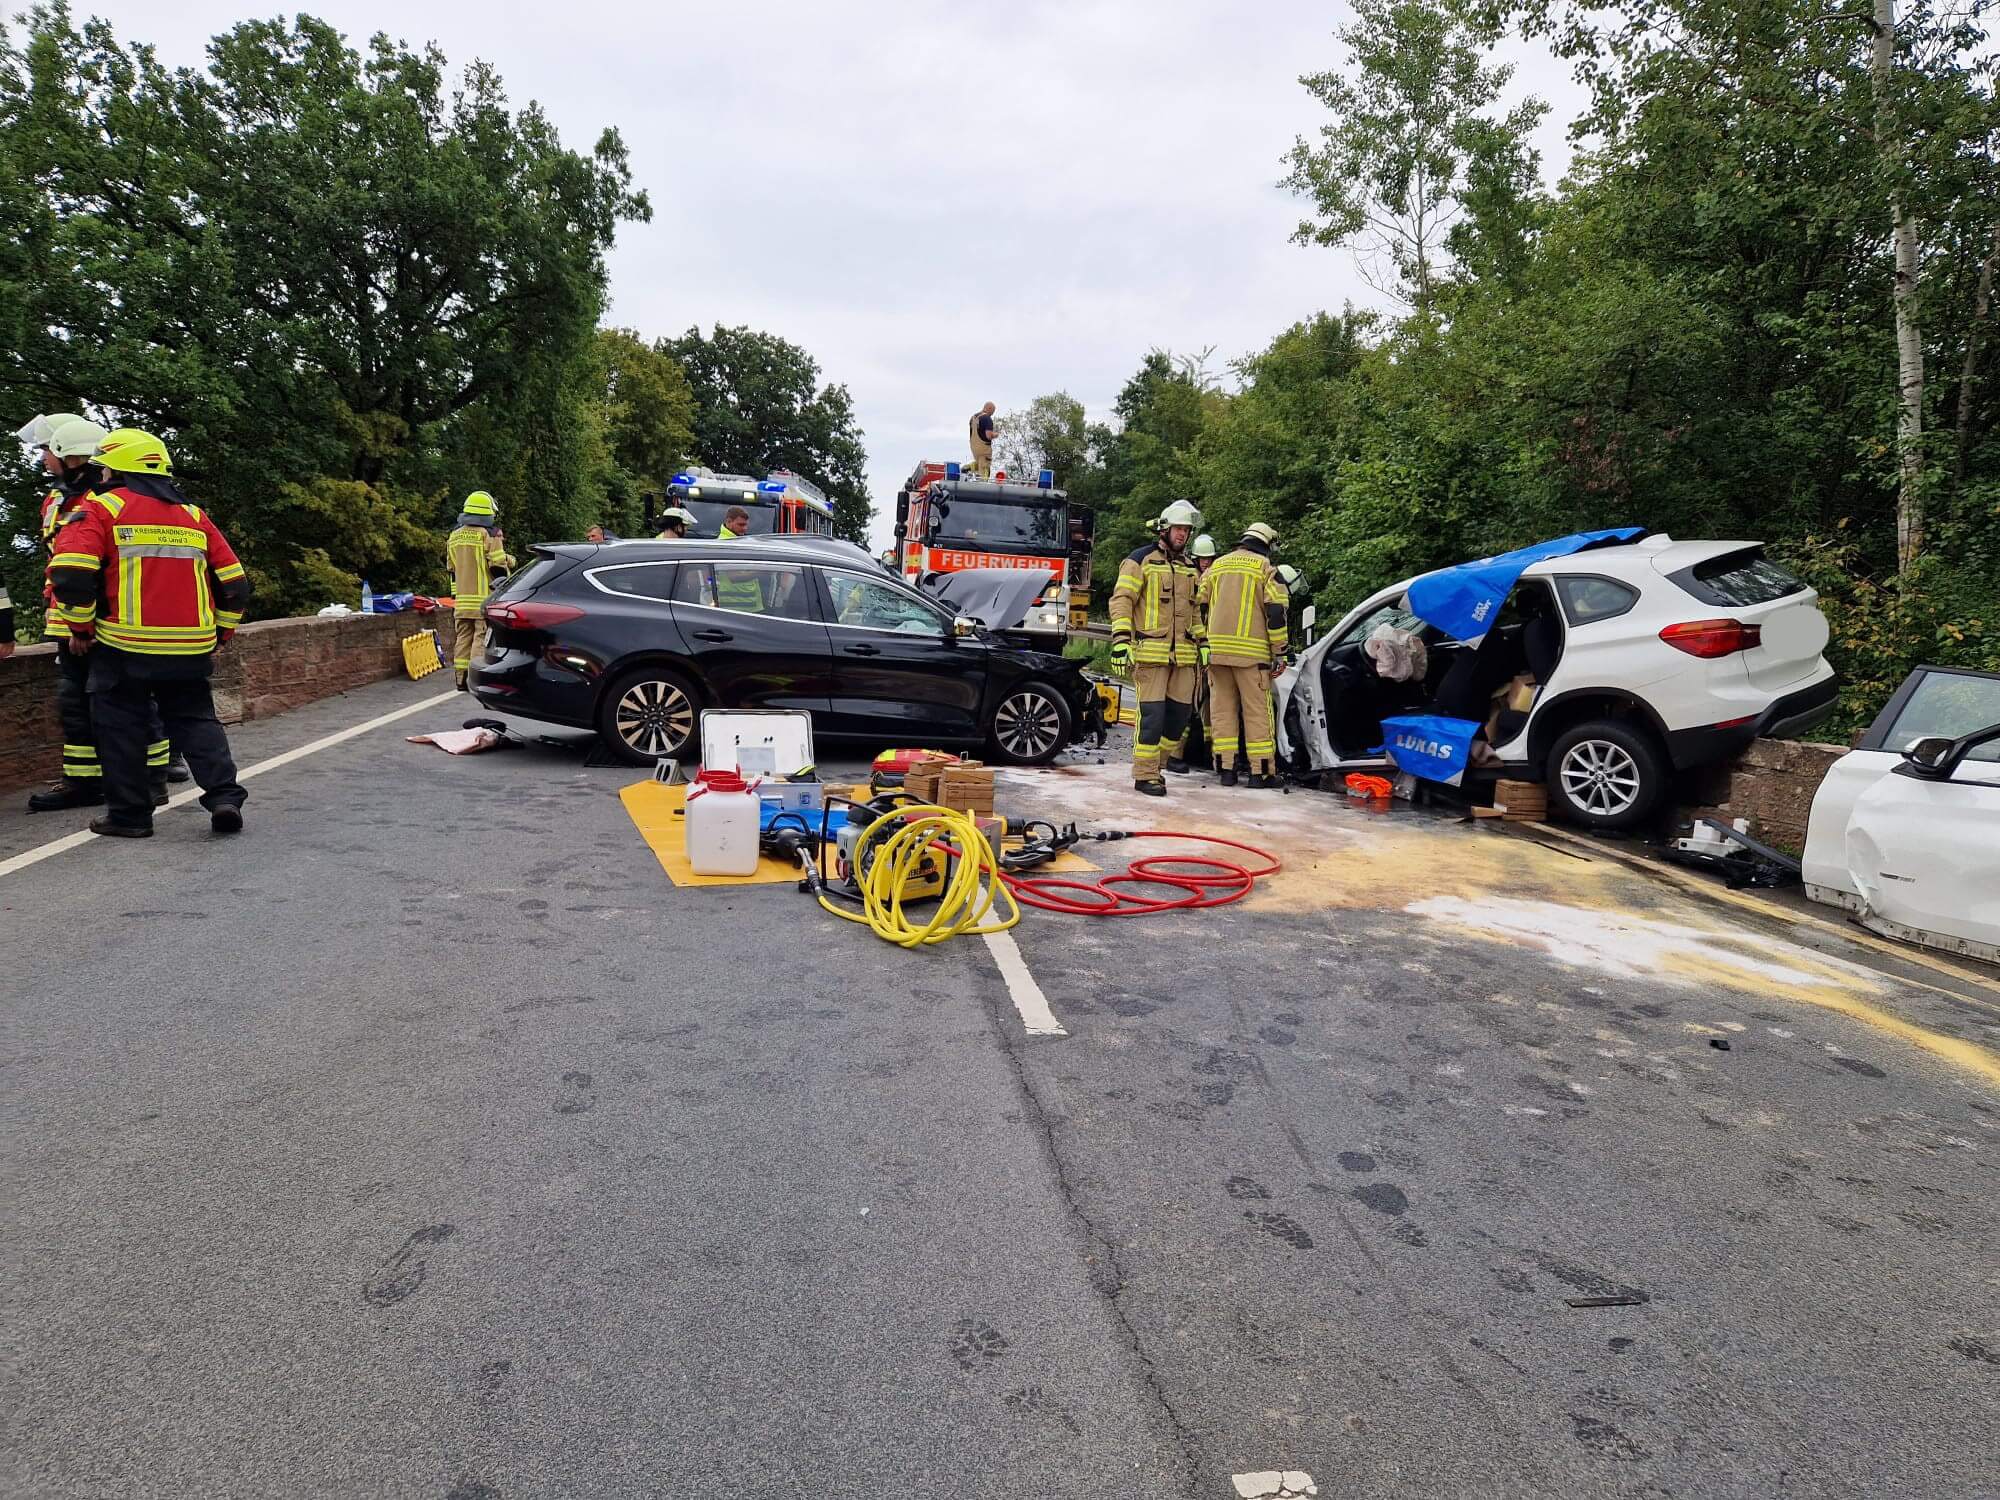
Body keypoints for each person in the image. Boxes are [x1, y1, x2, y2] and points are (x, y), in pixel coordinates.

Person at [45, 428, 249, 838]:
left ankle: (130, 817)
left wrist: (81, 626)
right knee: (196, 721)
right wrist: (220, 634)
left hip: (123, 645)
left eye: (104, 469)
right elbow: (236, 584)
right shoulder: (193, 515)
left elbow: (69, 574)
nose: (99, 476)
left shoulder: (100, 509)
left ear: (116, 470)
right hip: (190, 646)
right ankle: (224, 797)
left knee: (119, 728)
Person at [19, 415, 178, 811]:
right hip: (73, 616)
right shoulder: (62, 498)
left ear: (69, 458)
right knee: (84, 702)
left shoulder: (101, 503)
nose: (41, 459)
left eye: (46, 451)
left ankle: (141, 778)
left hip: (94, 620)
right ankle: (99, 779)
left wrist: (82, 624)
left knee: (122, 698)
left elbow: (89, 568)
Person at [1109, 499, 1204, 796]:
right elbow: (1122, 600)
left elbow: (1196, 613)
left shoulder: (1190, 568)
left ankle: (1158, 767)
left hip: (1184, 656)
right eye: (1178, 528)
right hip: (1151, 654)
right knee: (1152, 717)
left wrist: (1204, 643)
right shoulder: (1140, 560)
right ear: (1164, 529)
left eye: (1186, 530)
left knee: (1178, 718)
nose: (1182, 535)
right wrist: (1121, 640)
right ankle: (1145, 774)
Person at [1197, 523, 1289, 788]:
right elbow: (1275, 613)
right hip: (1253, 657)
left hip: (1216, 654)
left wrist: (1204, 641)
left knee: (1222, 712)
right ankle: (1260, 774)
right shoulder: (1265, 569)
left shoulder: (1217, 566)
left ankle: (1227, 770)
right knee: (1257, 713)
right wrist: (1280, 651)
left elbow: (1198, 604)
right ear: (1267, 545)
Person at [446, 491, 512, 690]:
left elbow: (452, 570)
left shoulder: (454, 536)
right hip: (484, 598)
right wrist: (511, 561)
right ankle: (475, 679)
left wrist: (455, 595)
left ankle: (460, 679)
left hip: (462, 601)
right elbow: (497, 567)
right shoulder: (489, 534)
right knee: (480, 637)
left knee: (463, 638)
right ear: (487, 512)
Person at [968, 401, 997, 479]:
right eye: (993, 411)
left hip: (974, 448)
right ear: (989, 408)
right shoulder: (987, 418)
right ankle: (982, 481)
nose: (992, 414)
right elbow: (988, 436)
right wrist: (995, 435)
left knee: (979, 463)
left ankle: (969, 467)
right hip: (984, 448)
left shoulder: (972, 418)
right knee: (984, 469)